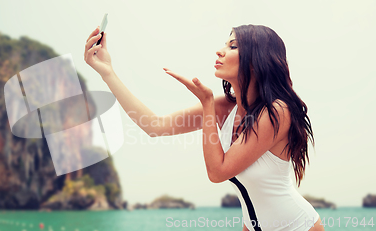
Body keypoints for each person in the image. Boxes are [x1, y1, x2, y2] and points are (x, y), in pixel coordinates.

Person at [84, 24, 324, 231]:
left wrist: (207, 103)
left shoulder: (277, 111)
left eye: (233, 46)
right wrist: (108, 72)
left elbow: (218, 172)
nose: (220, 50)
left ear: (255, 61)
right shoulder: (226, 107)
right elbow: (154, 126)